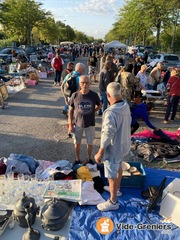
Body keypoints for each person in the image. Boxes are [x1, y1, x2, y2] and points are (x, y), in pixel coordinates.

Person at [94, 82, 131, 211]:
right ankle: (117, 189)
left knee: (111, 174)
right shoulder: (125, 106)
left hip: (114, 149)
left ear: (108, 95)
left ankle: (113, 201)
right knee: (119, 166)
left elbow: (107, 134)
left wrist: (100, 152)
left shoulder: (111, 112)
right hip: (124, 145)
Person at [68, 75, 102, 163]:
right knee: (77, 143)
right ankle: (77, 159)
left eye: (87, 83)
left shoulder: (94, 95)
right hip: (78, 123)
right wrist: (70, 124)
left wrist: (93, 111)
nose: (85, 85)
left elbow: (100, 105)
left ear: (89, 83)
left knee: (90, 143)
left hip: (90, 123)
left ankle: (88, 158)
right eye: (82, 83)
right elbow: (70, 110)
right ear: (79, 84)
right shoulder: (75, 95)